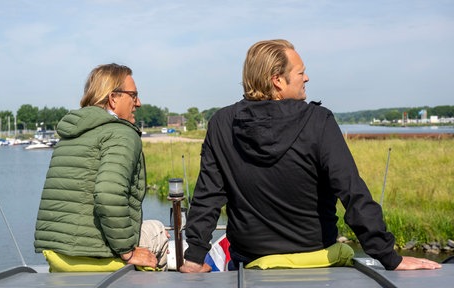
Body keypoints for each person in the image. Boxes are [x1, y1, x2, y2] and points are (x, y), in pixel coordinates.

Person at [180, 39, 441, 273]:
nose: (307, 78)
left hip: (250, 263)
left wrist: (194, 256)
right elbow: (351, 189)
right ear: (278, 80)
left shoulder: (222, 123)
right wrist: (388, 257)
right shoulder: (318, 121)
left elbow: (208, 195)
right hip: (318, 258)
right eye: (301, 72)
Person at [34, 63, 169, 271]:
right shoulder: (122, 134)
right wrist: (127, 251)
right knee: (158, 231)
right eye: (133, 95)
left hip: (57, 256)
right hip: (95, 257)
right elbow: (108, 194)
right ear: (113, 98)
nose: (139, 103)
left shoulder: (70, 134)